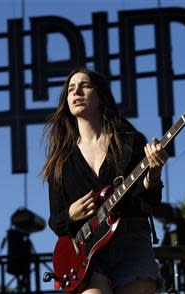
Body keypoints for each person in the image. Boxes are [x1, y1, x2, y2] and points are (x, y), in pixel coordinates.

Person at [41, 67, 168, 294]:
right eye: (71, 89)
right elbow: (55, 220)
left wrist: (154, 174)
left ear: (101, 96)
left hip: (131, 243)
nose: (76, 92)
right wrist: (71, 214)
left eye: (85, 86)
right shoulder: (61, 161)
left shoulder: (130, 142)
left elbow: (148, 204)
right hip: (88, 256)